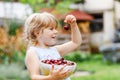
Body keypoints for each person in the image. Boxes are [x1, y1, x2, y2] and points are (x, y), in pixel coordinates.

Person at [24, 12, 82, 80]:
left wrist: (73, 25)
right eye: (51, 29)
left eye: (55, 28)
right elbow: (34, 77)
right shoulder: (33, 52)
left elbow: (76, 42)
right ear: (37, 32)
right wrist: (51, 78)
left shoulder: (55, 50)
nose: (56, 31)